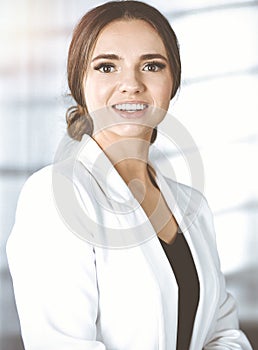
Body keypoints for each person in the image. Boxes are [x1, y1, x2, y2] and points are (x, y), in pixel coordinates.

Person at [6, 1, 253, 349]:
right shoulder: (55, 194)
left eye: (151, 65)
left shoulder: (191, 204)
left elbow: (225, 334)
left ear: (173, 82)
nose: (131, 84)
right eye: (107, 67)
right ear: (80, 83)